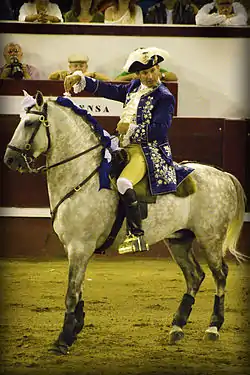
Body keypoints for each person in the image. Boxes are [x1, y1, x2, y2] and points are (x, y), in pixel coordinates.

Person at [63, 47, 194, 254]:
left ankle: (137, 235)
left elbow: (159, 132)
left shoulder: (165, 97)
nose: (149, 76)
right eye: (143, 73)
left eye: (152, 71)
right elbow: (110, 90)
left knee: (124, 182)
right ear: (137, 75)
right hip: (123, 146)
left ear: (158, 69)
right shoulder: (134, 86)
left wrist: (131, 129)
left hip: (147, 151)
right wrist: (82, 80)